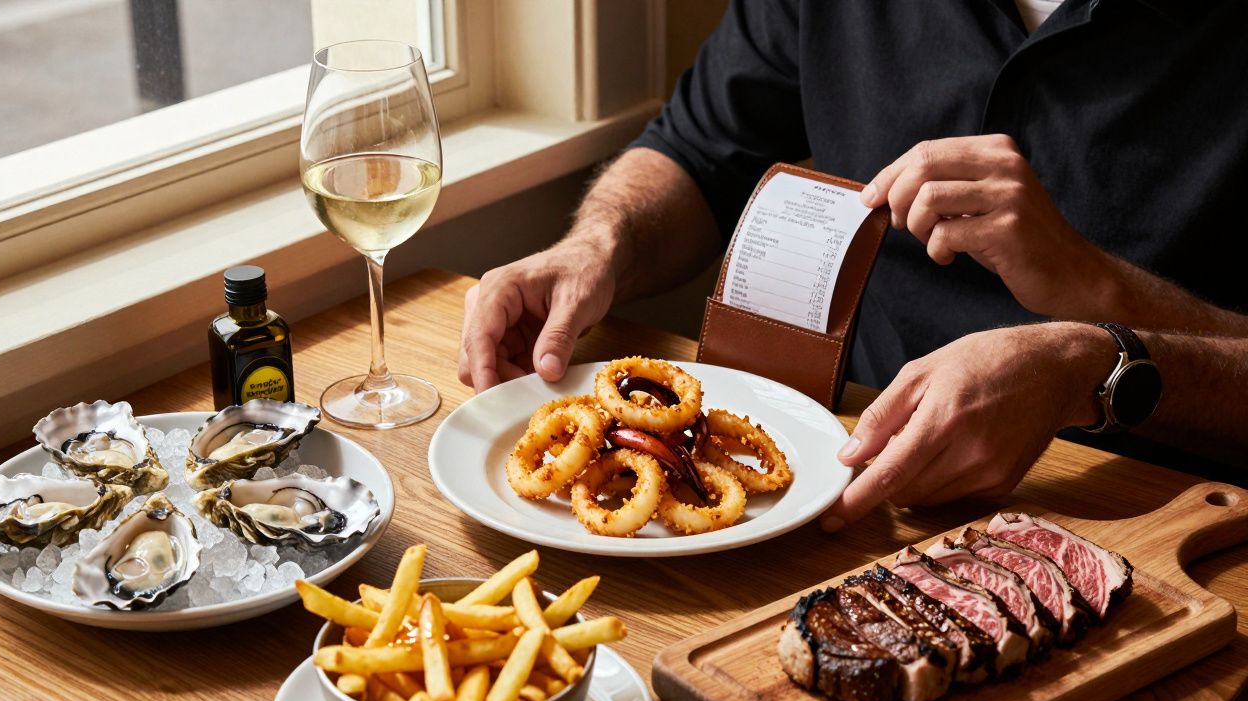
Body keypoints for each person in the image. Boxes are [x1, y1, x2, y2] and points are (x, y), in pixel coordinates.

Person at [457, 0, 1248, 531]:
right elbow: (699, 151)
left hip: (1152, 516)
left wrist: (1091, 335)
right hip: (840, 480)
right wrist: (598, 245)